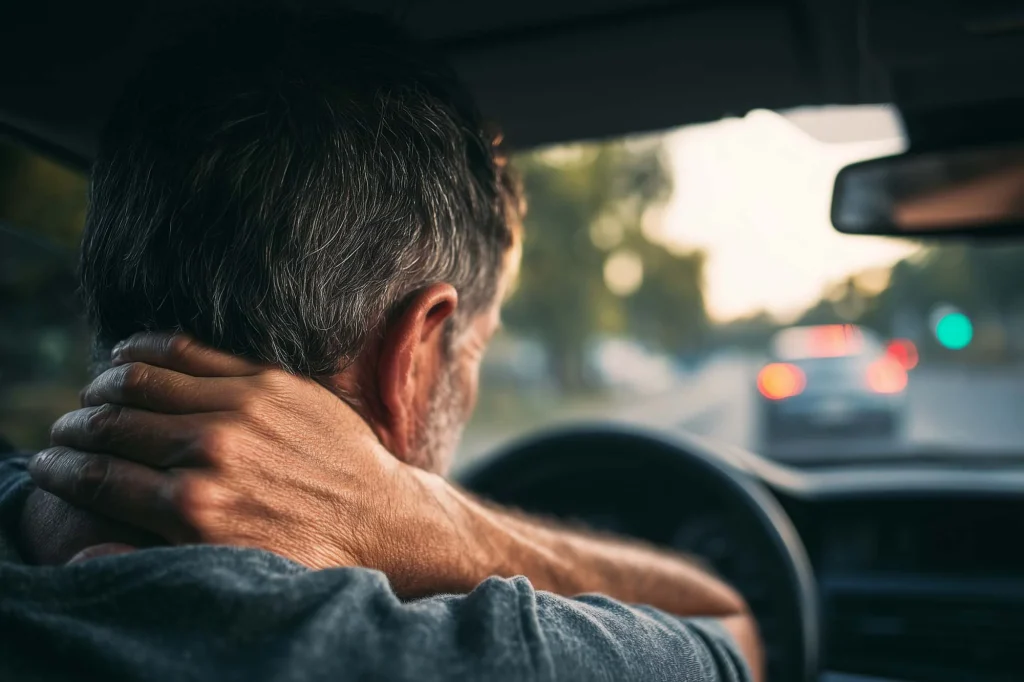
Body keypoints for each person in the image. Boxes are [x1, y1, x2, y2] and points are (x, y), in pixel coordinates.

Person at [0, 8, 762, 681]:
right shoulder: (447, 656)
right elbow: (735, 630)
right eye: (474, 350)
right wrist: (424, 522)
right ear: (413, 352)